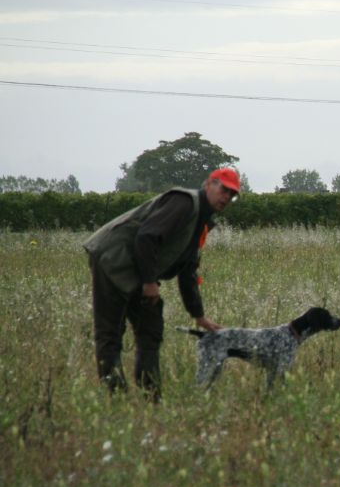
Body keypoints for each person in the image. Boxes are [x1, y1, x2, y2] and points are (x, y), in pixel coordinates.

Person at [84, 168, 240, 398]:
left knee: (151, 329)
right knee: (110, 333)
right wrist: (149, 283)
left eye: (233, 194)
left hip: (138, 268)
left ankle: (151, 395)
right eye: (224, 189)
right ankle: (115, 397)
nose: (227, 197)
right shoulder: (184, 202)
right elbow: (146, 237)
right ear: (209, 184)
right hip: (112, 259)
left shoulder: (200, 221)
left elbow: (187, 271)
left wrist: (199, 316)